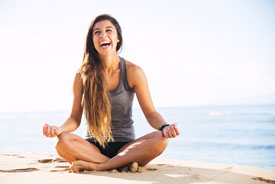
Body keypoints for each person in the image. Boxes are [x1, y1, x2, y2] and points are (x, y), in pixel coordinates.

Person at [43, 14, 180, 172]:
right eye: (97, 32)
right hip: (92, 148)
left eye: (109, 30)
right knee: (60, 142)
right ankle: (119, 164)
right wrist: (59, 129)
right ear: (92, 40)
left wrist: (165, 127)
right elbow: (74, 118)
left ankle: (99, 166)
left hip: (126, 147)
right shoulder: (82, 75)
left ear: (118, 38)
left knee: (161, 139)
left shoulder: (133, 72)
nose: (103, 35)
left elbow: (150, 113)